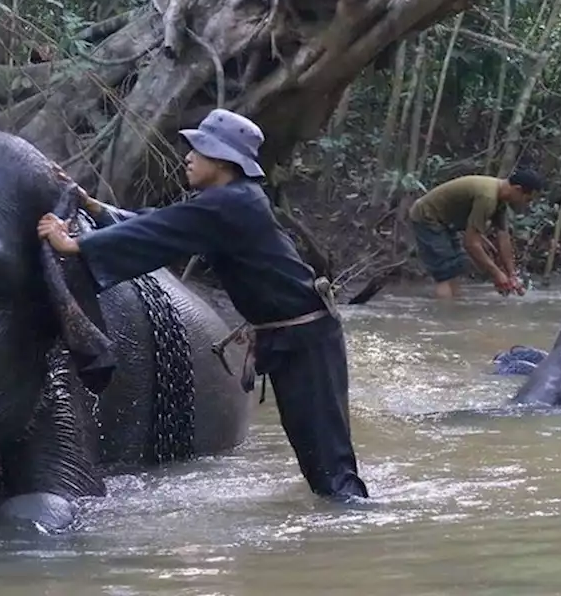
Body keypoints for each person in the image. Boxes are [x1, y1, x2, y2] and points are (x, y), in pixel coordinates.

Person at [37, 108, 369, 500]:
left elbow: (158, 229)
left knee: (328, 460)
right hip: (291, 337)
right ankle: (339, 526)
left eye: (198, 149)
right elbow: (161, 225)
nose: (188, 157)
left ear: (224, 160)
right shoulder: (224, 204)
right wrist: (93, 207)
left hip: (305, 338)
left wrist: (75, 244)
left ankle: (354, 522)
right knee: (315, 455)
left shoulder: (231, 204)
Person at [408, 170, 544, 300]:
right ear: (518, 189)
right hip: (427, 216)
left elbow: (503, 237)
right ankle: (445, 317)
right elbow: (471, 244)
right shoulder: (487, 197)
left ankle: (454, 309)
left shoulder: (500, 197)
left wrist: (512, 274)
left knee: (455, 267)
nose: (527, 204)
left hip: (445, 222)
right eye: (527, 199)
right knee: (444, 273)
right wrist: (497, 274)